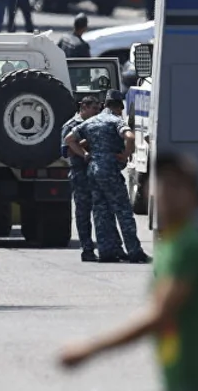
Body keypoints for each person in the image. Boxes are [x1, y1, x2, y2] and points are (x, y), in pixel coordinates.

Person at [59, 151, 198, 391]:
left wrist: (91, 348)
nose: (168, 191)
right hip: (179, 375)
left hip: (197, 381)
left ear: (196, 197)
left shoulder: (189, 245)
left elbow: (160, 314)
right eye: (162, 182)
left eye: (178, 185)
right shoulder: (170, 243)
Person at [65, 90, 150, 264]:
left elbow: (69, 140)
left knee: (101, 211)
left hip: (93, 170)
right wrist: (127, 153)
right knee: (123, 211)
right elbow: (130, 136)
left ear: (104, 105)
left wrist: (85, 154)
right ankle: (134, 251)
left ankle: (106, 252)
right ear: (119, 107)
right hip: (110, 170)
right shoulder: (115, 120)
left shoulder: (92, 122)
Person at [62, 96, 102, 262]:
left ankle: (107, 247)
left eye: (98, 109)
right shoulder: (72, 125)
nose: (96, 112)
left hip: (98, 173)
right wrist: (86, 144)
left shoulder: (98, 123)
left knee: (102, 212)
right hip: (81, 173)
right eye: (94, 108)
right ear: (83, 107)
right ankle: (87, 248)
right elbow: (67, 151)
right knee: (83, 213)